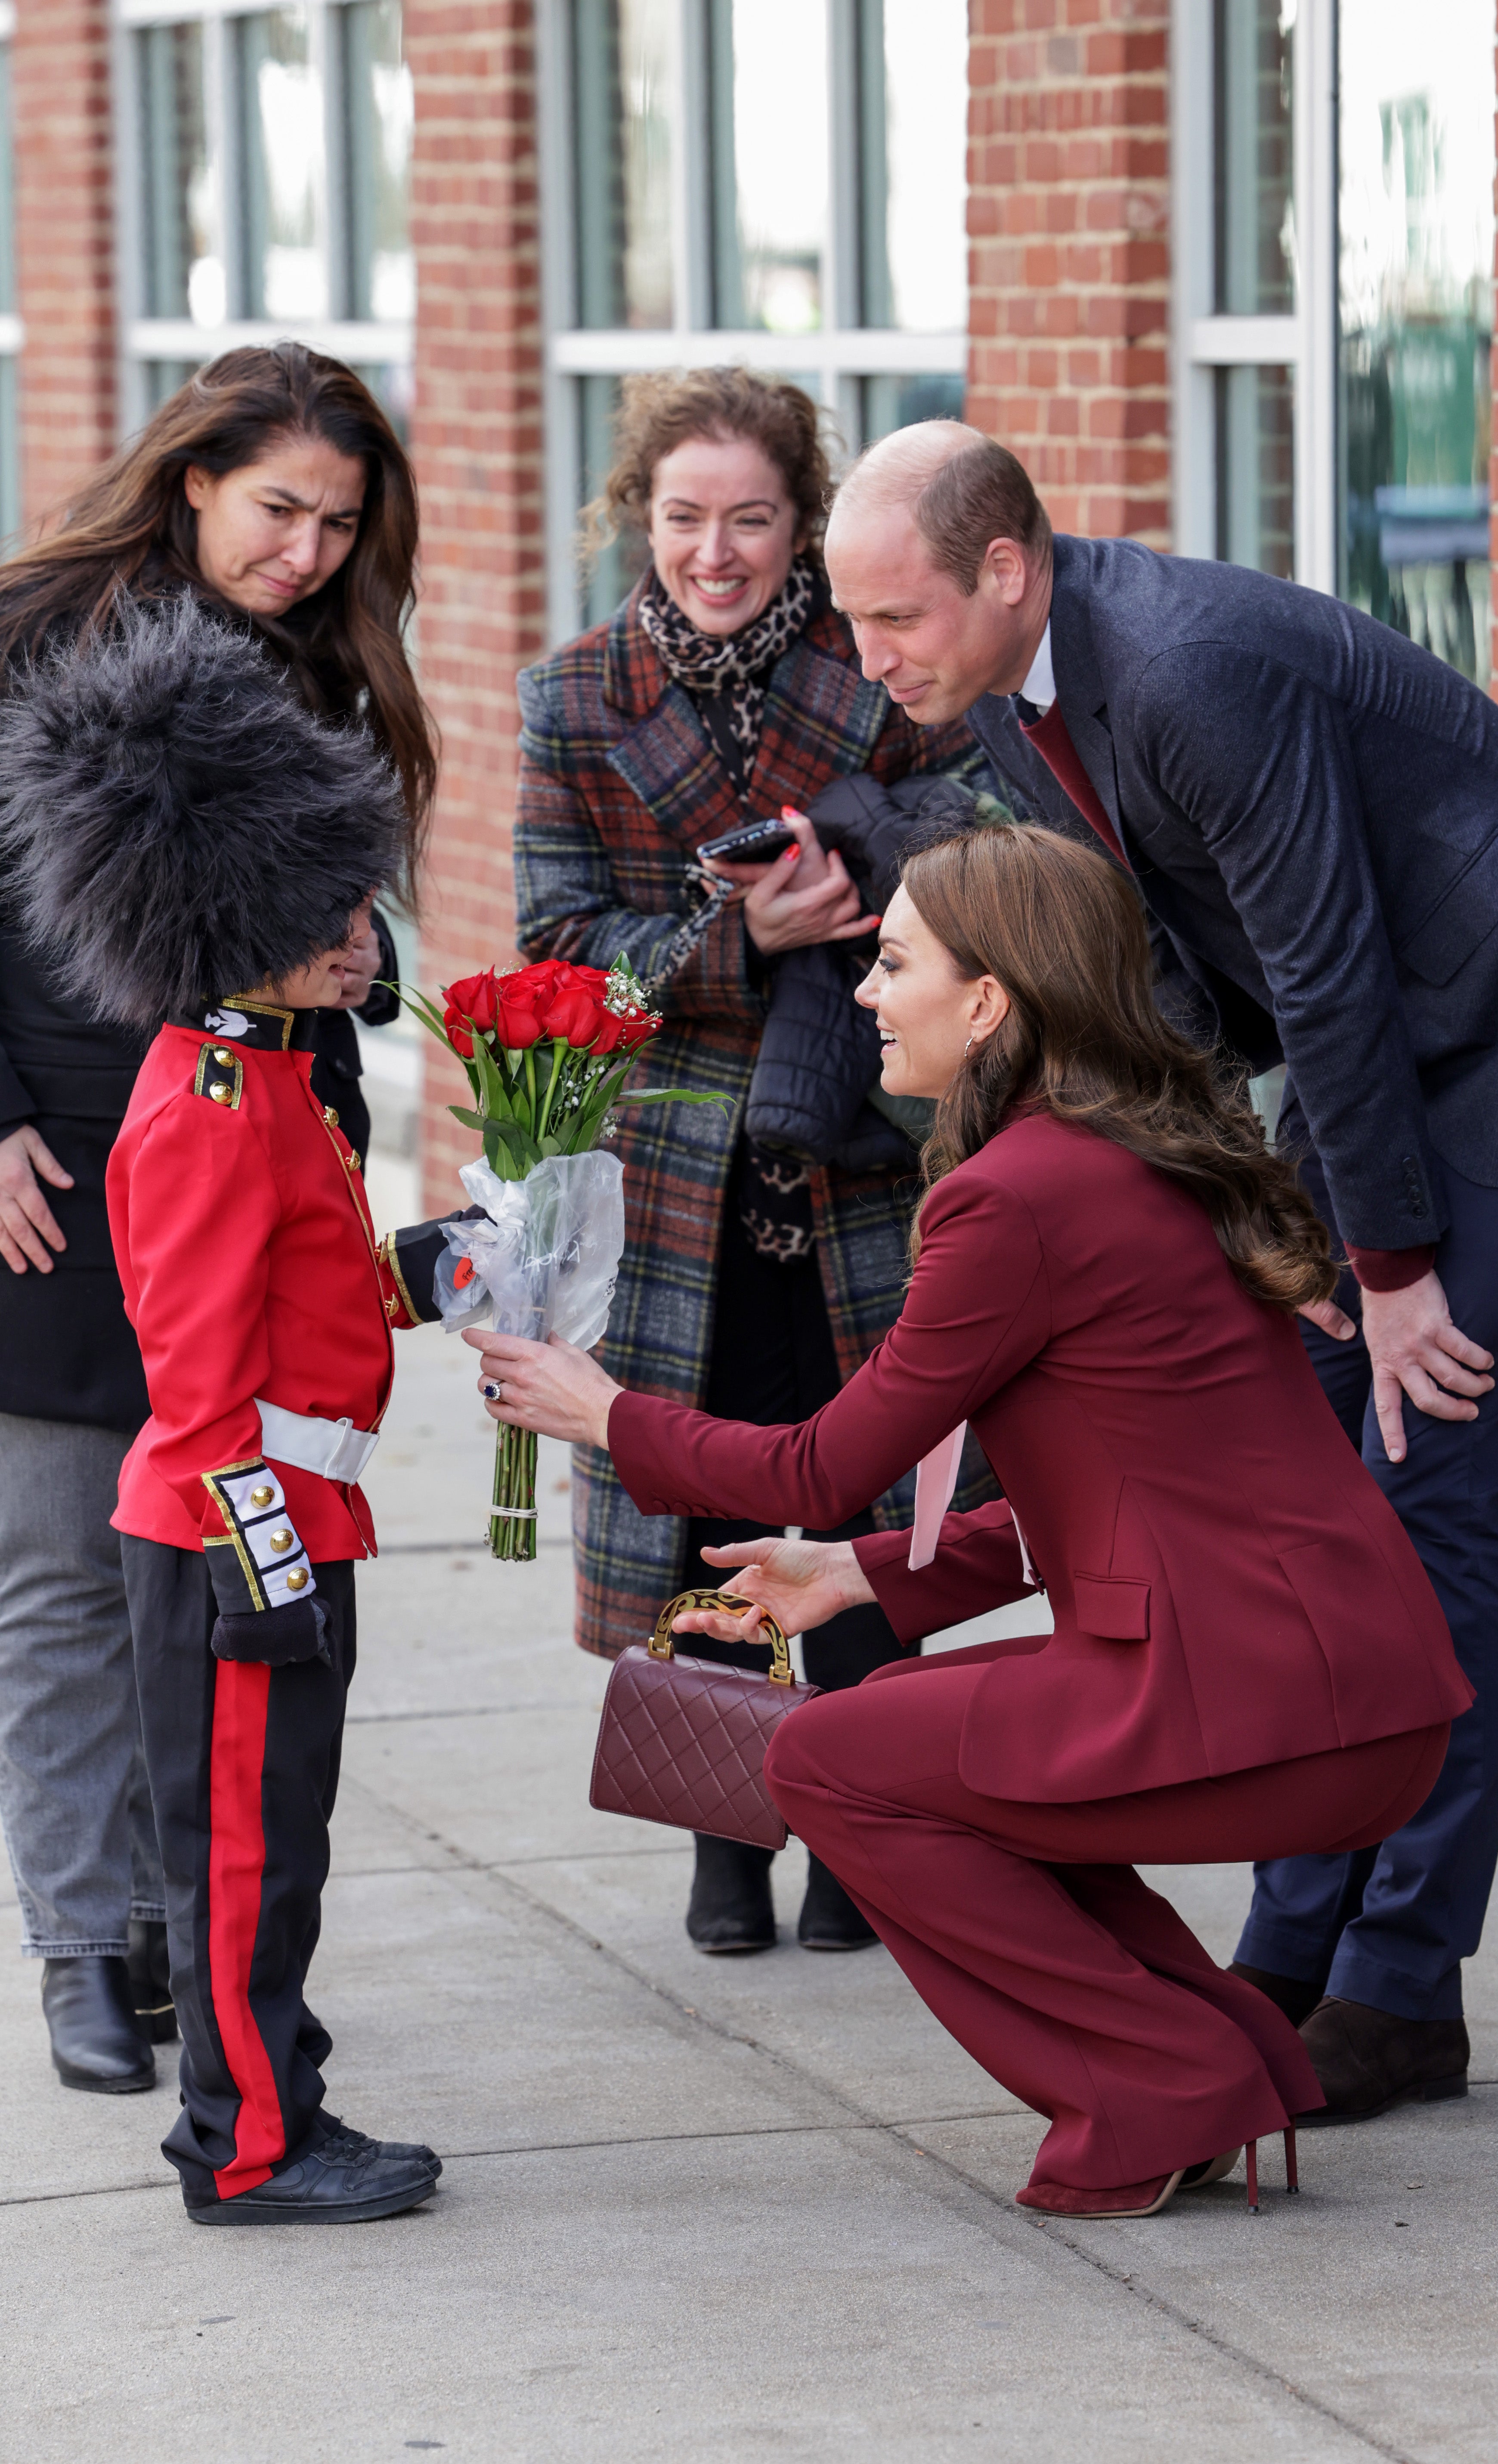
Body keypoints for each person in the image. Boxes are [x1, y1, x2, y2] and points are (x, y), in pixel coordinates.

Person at [809, 421, 1498, 2124]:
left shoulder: (1187, 673)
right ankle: (1293, 1943)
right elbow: (1184, 978)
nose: (872, 660)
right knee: (1293, 1455)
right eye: (852, 625)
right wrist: (1238, 1221)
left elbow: (1327, 973)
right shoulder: (1014, 690)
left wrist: (1386, 1264)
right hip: (1380, 1034)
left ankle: (1400, 1988)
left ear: (1002, 570)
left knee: (1430, 1478)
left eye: (892, 618)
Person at [465, 824, 1473, 2219]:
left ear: (989, 999)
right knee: (908, 1749)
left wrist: (603, 1412)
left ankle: (1165, 2079)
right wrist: (856, 1575)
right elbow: (1127, 1486)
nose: (866, 993)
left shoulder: (1018, 1196)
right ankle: (1217, 2055)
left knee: (830, 1757)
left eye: (892, 963)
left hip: (1264, 1698)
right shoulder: (1131, 1156)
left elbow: (821, 1458)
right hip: (1342, 1685)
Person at [513, 368, 995, 1957]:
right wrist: (733, 936)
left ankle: (853, 1832)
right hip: (672, 1181)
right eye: (682, 517)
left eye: (751, 518)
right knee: (694, 1506)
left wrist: (862, 884)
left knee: (856, 1496)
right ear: (634, 517)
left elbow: (982, 859)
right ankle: (724, 1832)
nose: (714, 550)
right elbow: (559, 959)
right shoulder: (575, 695)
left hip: (861, 1145)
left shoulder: (875, 679)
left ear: (802, 524)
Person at [0, 595, 466, 2226]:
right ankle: (246, 2146)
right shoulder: (207, 1102)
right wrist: (261, 1564)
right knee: (245, 1862)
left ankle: (270, 2073)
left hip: (280, 1511)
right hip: (237, 1531)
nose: (363, 935)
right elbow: (196, 1385)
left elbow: (311, 1297)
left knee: (280, 1854)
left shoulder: (261, 1073)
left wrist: (451, 1270)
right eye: (333, 909)